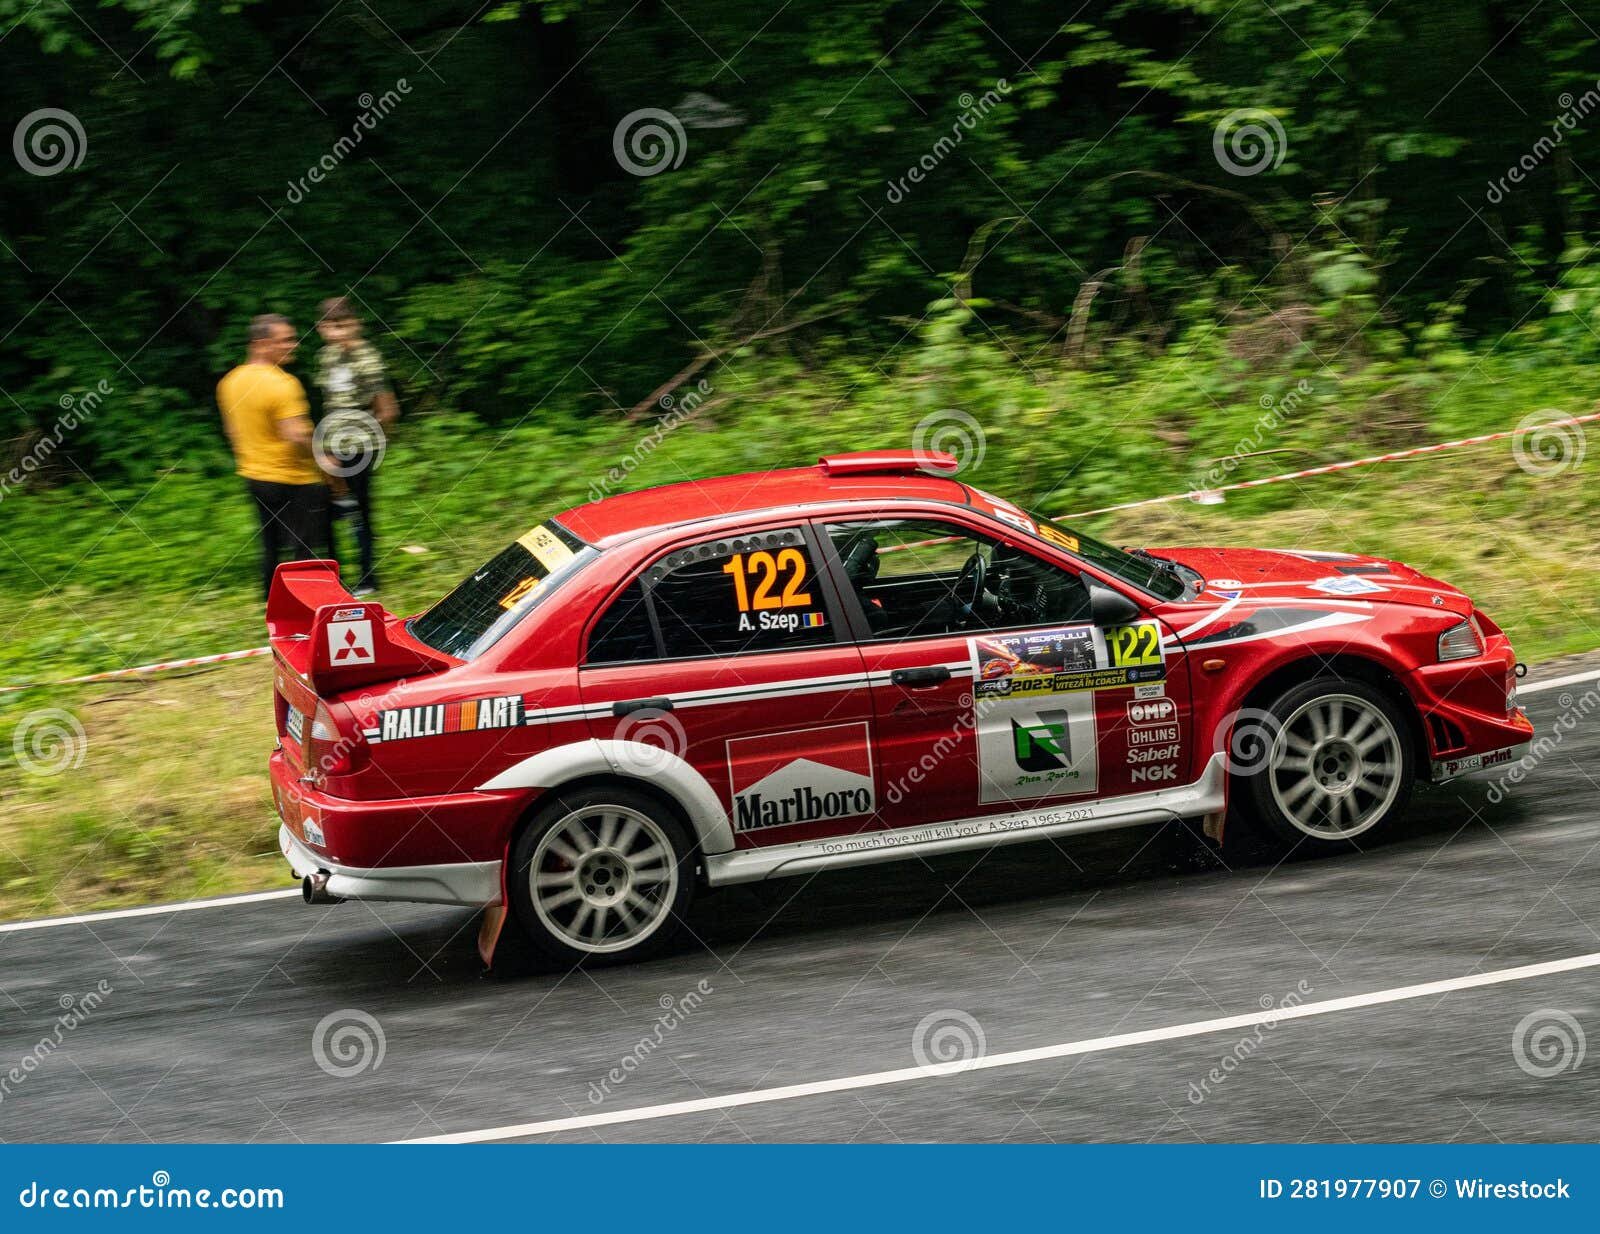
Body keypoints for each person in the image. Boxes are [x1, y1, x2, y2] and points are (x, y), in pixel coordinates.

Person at [216, 314, 326, 601]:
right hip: (294, 477)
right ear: (262, 344)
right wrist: (323, 459)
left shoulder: (229, 382)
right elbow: (296, 435)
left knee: (271, 544)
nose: (294, 345)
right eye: (285, 340)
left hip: (255, 475)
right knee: (304, 547)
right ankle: (306, 603)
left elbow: (232, 431)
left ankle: (271, 601)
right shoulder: (283, 384)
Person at [314, 296, 398, 597]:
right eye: (331, 327)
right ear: (322, 329)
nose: (338, 333)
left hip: (360, 445)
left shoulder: (368, 357)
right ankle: (334, 575)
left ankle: (368, 576)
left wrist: (367, 442)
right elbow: (330, 403)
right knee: (330, 509)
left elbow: (387, 409)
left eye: (344, 325)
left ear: (355, 324)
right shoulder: (325, 357)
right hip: (331, 442)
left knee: (359, 510)